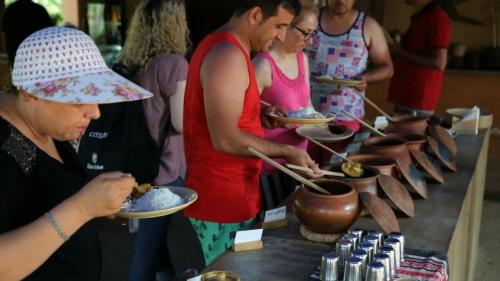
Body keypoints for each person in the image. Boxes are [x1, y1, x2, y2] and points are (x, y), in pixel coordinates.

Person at [0, 26, 153, 281]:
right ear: (30, 94)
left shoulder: (45, 126)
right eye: (78, 99)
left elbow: (40, 192)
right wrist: (82, 207)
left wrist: (98, 198)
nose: (95, 113)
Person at [183, 0, 322, 266]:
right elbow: (224, 138)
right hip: (222, 198)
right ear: (255, 15)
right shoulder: (228, 55)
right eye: (279, 26)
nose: (281, 35)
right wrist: (286, 151)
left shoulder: (227, 48)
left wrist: (258, 112)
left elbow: (221, 111)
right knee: (233, 271)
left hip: (235, 192)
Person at [113, 0, 190, 280]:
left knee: (154, 244)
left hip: (135, 162)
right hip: (165, 169)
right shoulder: (174, 64)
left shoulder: (130, 63)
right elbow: (181, 123)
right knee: (146, 250)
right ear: (175, 24)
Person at [307, 0, 393, 133]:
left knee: (341, 154)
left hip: (348, 115)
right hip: (307, 112)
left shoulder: (368, 25)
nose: (341, 1)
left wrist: (365, 78)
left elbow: (387, 67)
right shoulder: (310, 19)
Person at [253, 0, 318, 175]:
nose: (309, 41)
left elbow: (307, 107)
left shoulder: (302, 58)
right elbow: (246, 117)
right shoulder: (263, 64)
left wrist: (325, 127)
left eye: (313, 34)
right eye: (305, 33)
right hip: (270, 166)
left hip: (299, 160)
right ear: (287, 26)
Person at [387, 0, 451, 117]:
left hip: (418, 99)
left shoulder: (437, 18)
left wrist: (400, 52)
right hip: (407, 95)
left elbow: (439, 62)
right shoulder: (421, 16)